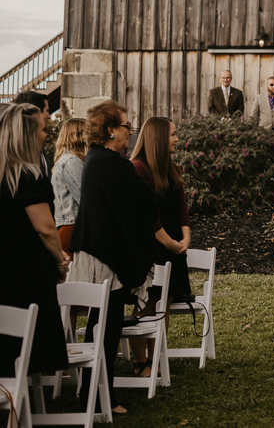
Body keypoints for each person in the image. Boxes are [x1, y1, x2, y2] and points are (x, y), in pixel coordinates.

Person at [69, 100, 158, 415]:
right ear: (110, 131)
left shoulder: (95, 158)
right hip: (105, 258)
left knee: (100, 324)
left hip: (96, 252)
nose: (130, 131)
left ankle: (92, 393)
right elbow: (147, 196)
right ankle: (98, 398)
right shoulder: (110, 162)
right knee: (106, 329)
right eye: (126, 126)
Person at [0, 103, 69, 378]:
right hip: (26, 268)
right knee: (28, 336)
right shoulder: (27, 176)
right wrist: (59, 259)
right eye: (42, 130)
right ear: (27, 135)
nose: (45, 135)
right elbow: (46, 229)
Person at [129, 117, 191, 377]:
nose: (177, 139)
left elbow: (181, 207)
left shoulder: (171, 167)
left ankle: (157, 361)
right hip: (154, 245)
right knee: (147, 301)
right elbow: (144, 214)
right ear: (157, 138)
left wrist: (186, 237)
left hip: (175, 245)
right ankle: (140, 362)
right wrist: (167, 241)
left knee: (165, 302)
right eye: (173, 135)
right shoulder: (138, 169)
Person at [51, 118, 88, 256]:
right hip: (71, 228)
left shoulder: (64, 160)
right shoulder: (72, 162)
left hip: (67, 227)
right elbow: (86, 199)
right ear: (78, 136)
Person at [13, 90, 52, 177]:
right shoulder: (17, 150)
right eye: (47, 110)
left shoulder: (38, 145)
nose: (49, 116)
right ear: (36, 112)